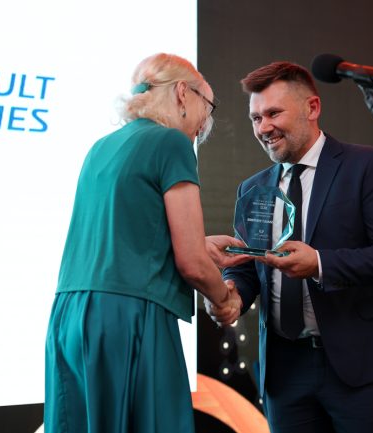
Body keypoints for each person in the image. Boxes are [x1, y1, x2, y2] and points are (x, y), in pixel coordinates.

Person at [208, 61, 373, 433]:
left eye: (274, 113)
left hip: (362, 365)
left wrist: (320, 263)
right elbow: (249, 268)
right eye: (256, 118)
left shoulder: (368, 165)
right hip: (285, 370)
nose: (263, 127)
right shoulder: (252, 188)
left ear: (312, 108)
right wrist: (233, 296)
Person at [44, 53, 248, 433]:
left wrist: (200, 244)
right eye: (209, 107)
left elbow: (123, 237)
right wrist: (225, 300)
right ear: (183, 93)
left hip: (70, 317)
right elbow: (191, 263)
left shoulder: (101, 147)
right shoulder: (171, 143)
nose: (206, 124)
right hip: (128, 317)